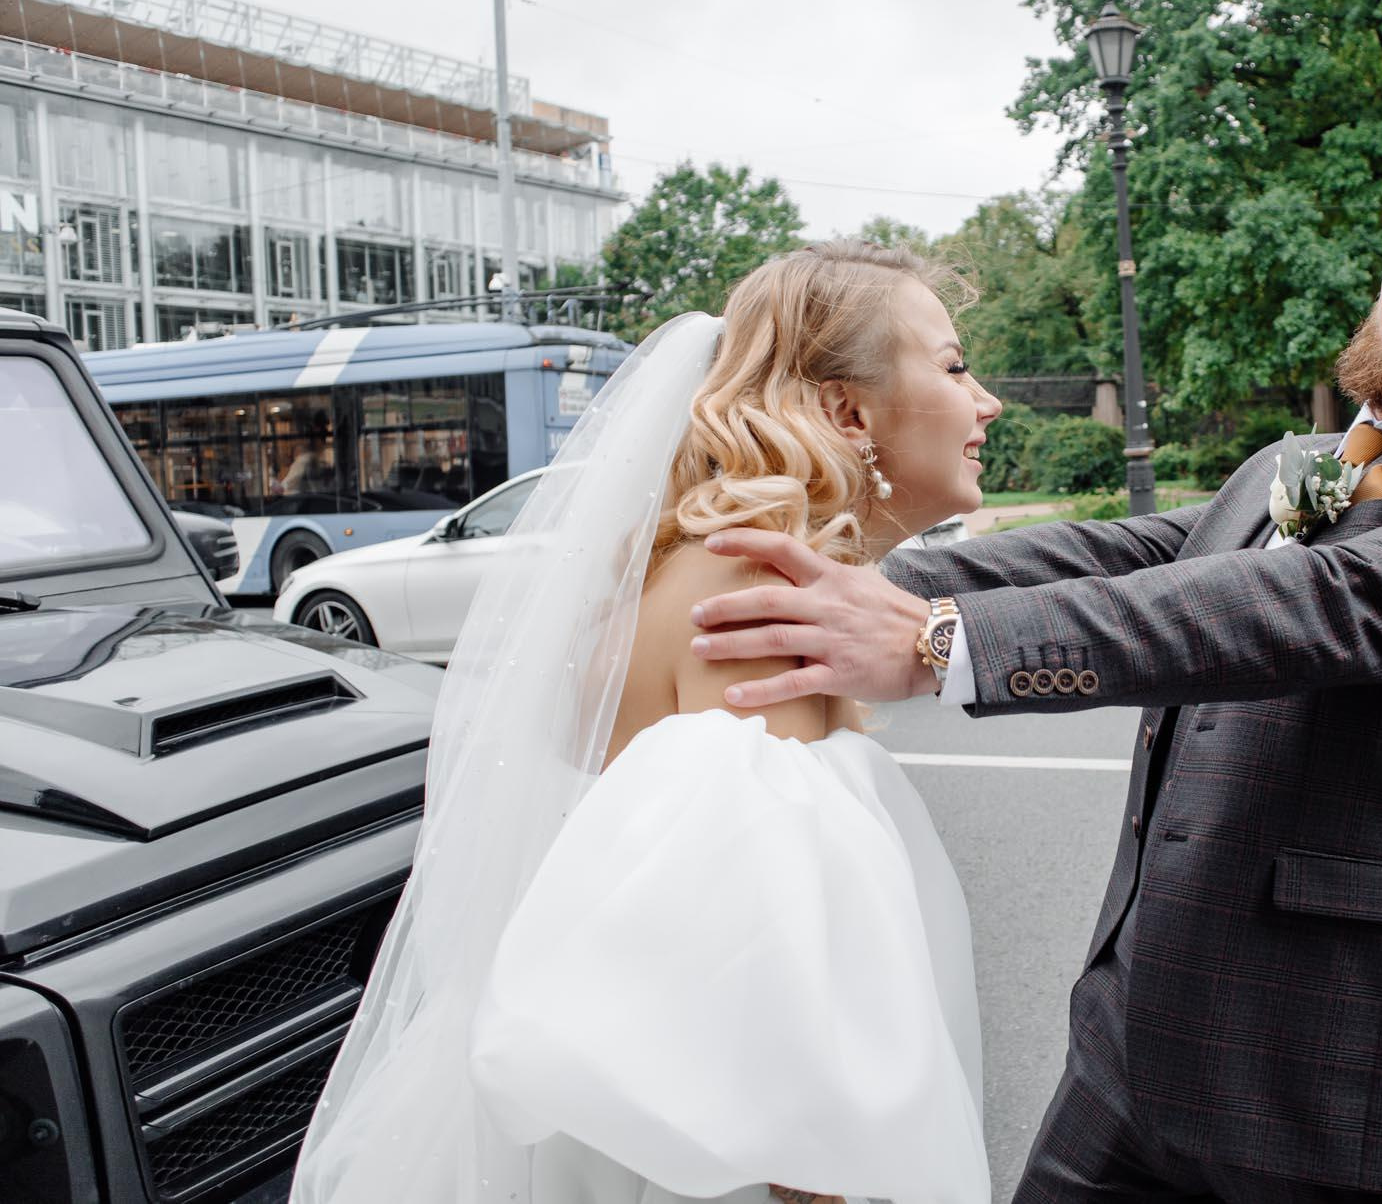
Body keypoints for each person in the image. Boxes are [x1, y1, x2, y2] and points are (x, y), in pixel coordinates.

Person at [689, 137, 1382, 1202]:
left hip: (1335, 1092)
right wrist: (849, 564)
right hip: (1127, 1053)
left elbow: (1323, 603)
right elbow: (1122, 554)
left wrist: (939, 645)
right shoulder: (1300, 468)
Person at [291, 242, 999, 1204]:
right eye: (955, 367)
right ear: (845, 409)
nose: (986, 400)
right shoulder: (763, 594)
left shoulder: (683, 563)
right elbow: (772, 1045)